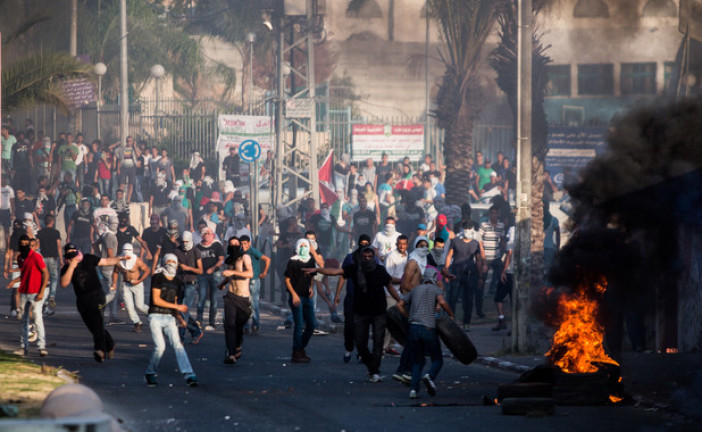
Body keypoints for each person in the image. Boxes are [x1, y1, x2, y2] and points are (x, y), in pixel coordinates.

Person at [312, 247, 401, 382]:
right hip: (361, 312)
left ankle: (374, 370)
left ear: (374, 258)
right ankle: (371, 366)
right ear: (360, 257)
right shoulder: (355, 269)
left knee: (378, 342)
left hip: (379, 312)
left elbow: (390, 286)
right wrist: (317, 270)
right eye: (364, 257)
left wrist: (400, 301)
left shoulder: (380, 271)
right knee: (360, 343)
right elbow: (335, 272)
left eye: (370, 257)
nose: (367, 259)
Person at [60, 243, 126, 362]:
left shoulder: (88, 258)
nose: (73, 257)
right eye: (70, 256)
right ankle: (110, 343)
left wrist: (119, 259)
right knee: (92, 326)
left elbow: (105, 261)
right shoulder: (66, 268)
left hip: (96, 295)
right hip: (82, 299)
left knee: (97, 322)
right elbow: (64, 283)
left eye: (74, 254)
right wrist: (71, 266)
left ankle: (100, 350)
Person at [397, 267, 453, 399]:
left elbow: (399, 305)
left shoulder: (415, 289)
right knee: (437, 359)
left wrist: (409, 316)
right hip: (428, 328)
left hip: (413, 329)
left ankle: (413, 390)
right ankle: (430, 376)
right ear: (434, 278)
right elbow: (442, 302)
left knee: (417, 361)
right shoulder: (435, 289)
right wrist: (451, 314)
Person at [145, 253, 199, 388]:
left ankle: (189, 375)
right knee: (160, 347)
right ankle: (150, 373)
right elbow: (156, 300)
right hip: (156, 316)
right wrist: (177, 307)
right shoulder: (158, 277)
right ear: (164, 263)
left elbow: (174, 301)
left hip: (169, 318)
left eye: (173, 261)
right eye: (168, 261)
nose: (171, 263)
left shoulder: (177, 282)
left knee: (178, 345)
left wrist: (179, 317)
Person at [7, 235, 49, 356]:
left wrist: (41, 292)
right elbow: (24, 273)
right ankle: (23, 347)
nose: (24, 247)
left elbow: (45, 273)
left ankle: (41, 347)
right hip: (24, 292)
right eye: (22, 244)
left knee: (37, 317)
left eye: (26, 244)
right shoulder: (20, 258)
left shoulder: (36, 256)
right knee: (23, 320)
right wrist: (14, 282)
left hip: (36, 292)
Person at [335, 234, 372, 363]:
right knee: (349, 325)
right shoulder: (350, 258)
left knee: (364, 326)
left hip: (366, 298)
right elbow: (342, 276)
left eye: (366, 243)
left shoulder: (373, 259)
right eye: (362, 243)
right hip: (351, 297)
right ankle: (348, 348)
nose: (364, 246)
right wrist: (338, 294)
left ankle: (362, 352)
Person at [284, 238, 322, 363]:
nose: (304, 248)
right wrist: (294, 295)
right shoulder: (293, 262)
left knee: (311, 325)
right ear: (297, 247)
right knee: (299, 324)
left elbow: (312, 276)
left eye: (306, 245)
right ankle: (296, 352)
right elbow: (287, 280)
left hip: (307, 296)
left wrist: (311, 288)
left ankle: (300, 348)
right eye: (302, 245)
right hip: (297, 297)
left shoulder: (310, 260)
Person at [217, 236, 253, 364]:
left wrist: (232, 273)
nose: (233, 247)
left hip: (243, 298)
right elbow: (230, 276)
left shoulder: (245, 258)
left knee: (238, 326)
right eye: (231, 245)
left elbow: (250, 274)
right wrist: (222, 283)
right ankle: (230, 354)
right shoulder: (230, 261)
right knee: (230, 325)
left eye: (236, 244)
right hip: (230, 296)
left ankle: (238, 344)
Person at [444, 221, 483, 331]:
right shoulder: (455, 241)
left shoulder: (475, 243)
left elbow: (479, 260)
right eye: (465, 228)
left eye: (469, 227)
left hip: (470, 275)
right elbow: (449, 256)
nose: (467, 230)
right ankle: (452, 320)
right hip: (456, 273)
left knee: (469, 300)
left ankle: (467, 322)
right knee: (453, 298)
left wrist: (480, 276)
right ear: (461, 229)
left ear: (472, 229)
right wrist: (446, 271)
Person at [112, 243, 151, 333]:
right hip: (126, 284)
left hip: (137, 284)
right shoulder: (119, 260)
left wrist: (140, 280)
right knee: (129, 307)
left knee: (139, 305)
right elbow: (115, 272)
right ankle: (137, 322)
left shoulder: (137, 261)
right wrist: (114, 283)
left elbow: (147, 271)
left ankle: (152, 314)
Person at [174, 231, 204, 344]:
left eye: (186, 241)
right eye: (183, 242)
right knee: (179, 309)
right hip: (180, 283)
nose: (184, 244)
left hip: (191, 283)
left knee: (184, 309)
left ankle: (180, 337)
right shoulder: (177, 251)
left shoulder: (196, 251)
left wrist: (187, 268)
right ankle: (196, 331)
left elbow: (200, 270)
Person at [382, 234, 409, 355]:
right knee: (389, 321)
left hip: (403, 294)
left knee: (398, 321)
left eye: (404, 244)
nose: (402, 246)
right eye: (400, 243)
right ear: (396, 244)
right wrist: (403, 280)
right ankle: (383, 347)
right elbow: (388, 278)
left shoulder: (408, 255)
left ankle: (390, 346)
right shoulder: (391, 257)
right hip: (390, 293)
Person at [478, 205, 506, 319]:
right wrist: (483, 260)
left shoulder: (501, 226)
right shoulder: (484, 225)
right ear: (489, 214)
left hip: (497, 257)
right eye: (492, 213)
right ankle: (480, 310)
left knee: (502, 280)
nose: (494, 215)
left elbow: (502, 241)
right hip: (486, 257)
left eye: (496, 213)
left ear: (498, 214)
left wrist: (502, 253)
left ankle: (500, 308)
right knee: (481, 282)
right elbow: (480, 242)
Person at [240, 235, 270, 335]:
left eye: (245, 243)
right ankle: (245, 326)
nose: (243, 245)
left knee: (254, 303)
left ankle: (255, 324)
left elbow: (267, 259)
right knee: (244, 303)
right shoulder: (241, 252)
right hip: (244, 280)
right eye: (242, 244)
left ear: (249, 243)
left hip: (254, 279)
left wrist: (264, 272)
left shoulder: (253, 251)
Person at [196, 225, 224, 331]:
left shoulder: (217, 245)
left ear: (212, 234)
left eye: (209, 233)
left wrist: (214, 268)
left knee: (214, 298)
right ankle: (199, 320)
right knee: (202, 297)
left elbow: (221, 259)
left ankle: (212, 322)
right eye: (205, 233)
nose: (207, 235)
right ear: (202, 235)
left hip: (214, 274)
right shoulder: (198, 247)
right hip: (202, 275)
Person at [37, 214, 62, 316]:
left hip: (43, 257)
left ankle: (46, 302)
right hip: (53, 258)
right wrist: (61, 260)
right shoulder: (56, 232)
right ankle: (52, 295)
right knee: (54, 278)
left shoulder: (40, 233)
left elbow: (37, 246)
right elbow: (59, 246)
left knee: (44, 279)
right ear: (52, 222)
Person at [493, 226, 514, 331]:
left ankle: (504, 321)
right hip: (517, 274)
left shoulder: (511, 243)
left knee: (499, 298)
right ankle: (505, 322)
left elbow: (509, 255)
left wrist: (504, 271)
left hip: (509, 274)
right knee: (511, 300)